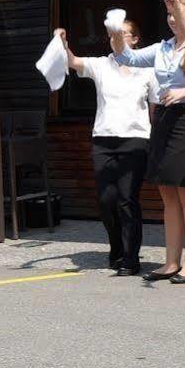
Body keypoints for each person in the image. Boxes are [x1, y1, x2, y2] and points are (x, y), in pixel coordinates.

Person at [112, 0, 185, 284]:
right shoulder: (162, 48)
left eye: (177, 13)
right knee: (167, 195)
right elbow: (128, 59)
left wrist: (184, 91)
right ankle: (171, 261)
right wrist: (113, 34)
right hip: (164, 119)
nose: (172, 19)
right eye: (169, 14)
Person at [54, 20, 156, 277]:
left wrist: (154, 139)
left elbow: (154, 109)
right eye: (112, 34)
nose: (115, 38)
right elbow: (73, 61)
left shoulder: (147, 70)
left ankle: (131, 258)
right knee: (106, 200)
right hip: (103, 139)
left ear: (134, 39)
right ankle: (116, 248)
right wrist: (63, 42)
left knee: (127, 199)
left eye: (121, 34)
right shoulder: (101, 64)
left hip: (135, 139)